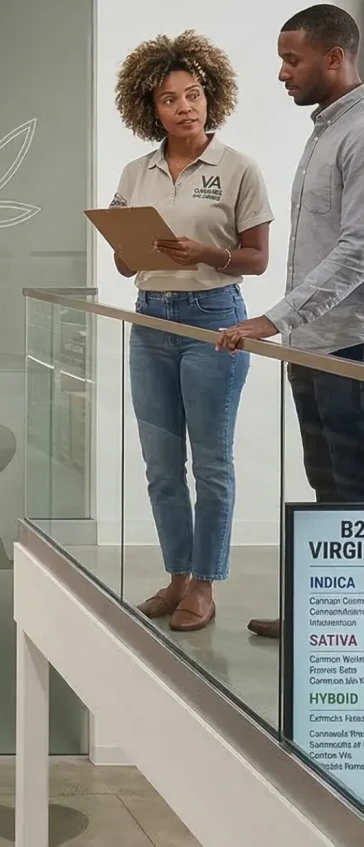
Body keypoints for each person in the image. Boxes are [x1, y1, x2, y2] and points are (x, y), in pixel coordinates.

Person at [111, 31, 274, 632]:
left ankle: (204, 585)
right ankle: (177, 575)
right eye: (170, 99)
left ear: (212, 97)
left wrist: (206, 250)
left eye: (194, 94)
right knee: (159, 465)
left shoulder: (238, 169)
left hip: (215, 321)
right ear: (149, 108)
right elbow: (125, 263)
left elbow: (257, 259)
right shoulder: (137, 171)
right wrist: (129, 249)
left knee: (211, 462)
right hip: (148, 318)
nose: (185, 107)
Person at [216, 6, 364, 640]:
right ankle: (326, 619)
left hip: (349, 345)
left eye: (291, 59)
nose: (281, 72)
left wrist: (272, 320)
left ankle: (344, 626)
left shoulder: (360, 132)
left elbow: (357, 248)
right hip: (314, 345)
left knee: (352, 493)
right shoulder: (325, 129)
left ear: (335, 57)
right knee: (327, 486)